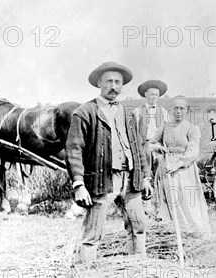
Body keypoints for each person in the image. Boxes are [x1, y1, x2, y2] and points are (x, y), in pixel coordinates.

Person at [65, 62, 153, 263]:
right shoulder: (85, 112)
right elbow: (74, 149)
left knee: (138, 227)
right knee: (92, 234)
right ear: (98, 83)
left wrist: (146, 177)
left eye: (118, 82)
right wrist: (79, 184)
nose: (113, 86)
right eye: (109, 82)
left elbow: (138, 148)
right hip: (102, 180)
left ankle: (137, 273)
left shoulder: (128, 114)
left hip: (131, 180)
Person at [150, 96, 212, 238]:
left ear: (187, 110)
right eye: (175, 108)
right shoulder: (164, 126)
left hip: (185, 170)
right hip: (165, 168)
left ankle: (194, 234)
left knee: (187, 203)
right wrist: (158, 148)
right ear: (171, 109)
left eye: (182, 108)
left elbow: (193, 151)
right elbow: (152, 143)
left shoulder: (192, 128)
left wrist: (177, 164)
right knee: (168, 203)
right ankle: (170, 235)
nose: (178, 111)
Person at [133, 80, 170, 214]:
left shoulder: (164, 112)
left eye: (156, 94)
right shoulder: (138, 111)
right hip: (144, 145)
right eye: (151, 94)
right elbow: (135, 132)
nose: (153, 97)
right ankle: (146, 207)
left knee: (160, 175)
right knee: (146, 175)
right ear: (145, 95)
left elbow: (168, 130)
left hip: (158, 145)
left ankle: (160, 207)